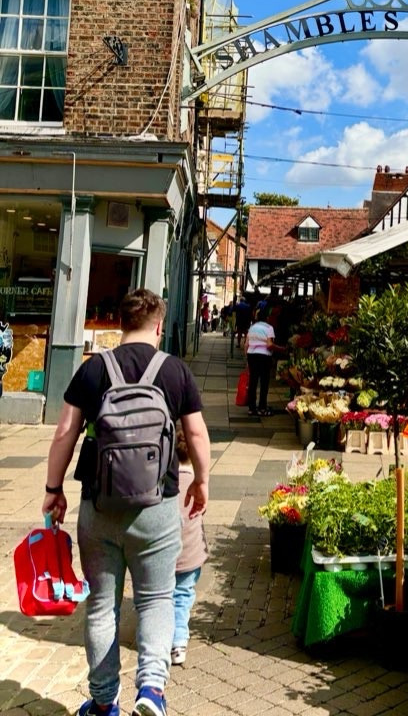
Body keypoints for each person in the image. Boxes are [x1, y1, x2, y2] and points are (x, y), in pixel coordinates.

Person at [42, 289, 211, 716]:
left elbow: (65, 432)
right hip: (158, 507)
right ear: (158, 326)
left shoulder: (94, 369)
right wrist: (202, 481)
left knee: (102, 604)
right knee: (156, 599)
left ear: (120, 324)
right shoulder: (174, 371)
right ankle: (151, 691)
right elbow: (196, 435)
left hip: (99, 507)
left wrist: (53, 489)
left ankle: (102, 702)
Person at [171, 424, 208, 666]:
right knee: (183, 595)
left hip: (165, 555)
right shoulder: (196, 483)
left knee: (161, 595)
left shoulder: (165, 482)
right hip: (191, 554)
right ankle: (179, 641)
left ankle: (159, 636)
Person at [244, 307, 276, 416]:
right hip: (264, 356)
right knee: (264, 382)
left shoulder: (252, 327)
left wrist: (247, 359)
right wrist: (279, 348)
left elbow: (246, 344)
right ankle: (262, 407)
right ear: (267, 317)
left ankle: (251, 408)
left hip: (251, 355)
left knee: (253, 381)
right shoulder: (269, 328)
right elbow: (269, 344)